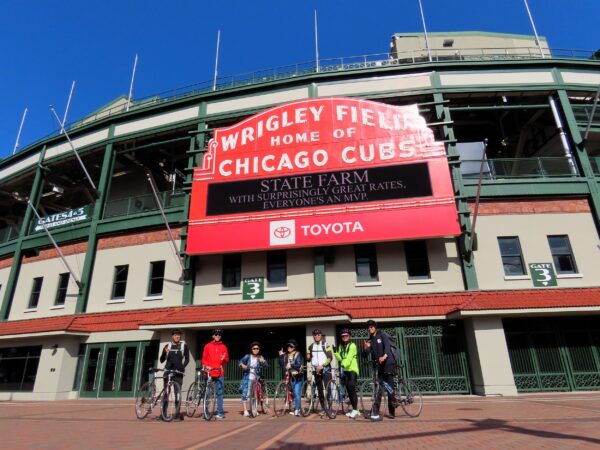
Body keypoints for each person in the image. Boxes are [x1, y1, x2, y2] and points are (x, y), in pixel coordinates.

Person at [363, 319, 396, 421]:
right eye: (368, 327)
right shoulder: (370, 340)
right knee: (379, 388)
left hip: (388, 362)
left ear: (375, 327)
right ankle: (375, 410)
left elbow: (387, 347)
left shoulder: (382, 335)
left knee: (389, 387)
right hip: (379, 366)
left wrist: (384, 356)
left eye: (372, 327)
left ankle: (392, 411)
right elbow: (366, 355)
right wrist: (366, 348)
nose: (370, 329)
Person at [160, 329, 190, 421]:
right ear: (172, 336)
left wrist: (182, 367)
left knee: (177, 394)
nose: (177, 336)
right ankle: (163, 413)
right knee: (166, 393)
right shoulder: (167, 346)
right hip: (168, 372)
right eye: (176, 335)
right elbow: (161, 360)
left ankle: (177, 414)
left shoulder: (184, 346)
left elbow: (187, 359)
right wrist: (165, 352)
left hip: (178, 373)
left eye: (179, 335)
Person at [202, 328, 230, 419]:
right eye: (216, 334)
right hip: (210, 372)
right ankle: (205, 412)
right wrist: (206, 366)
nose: (218, 336)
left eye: (219, 334)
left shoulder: (224, 347)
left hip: (219, 372)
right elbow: (204, 358)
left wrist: (223, 359)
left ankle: (220, 412)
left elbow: (227, 360)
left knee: (220, 393)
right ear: (213, 335)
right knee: (207, 393)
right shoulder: (207, 346)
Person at [334, 328, 360, 419]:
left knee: (351, 387)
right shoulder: (341, 346)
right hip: (345, 370)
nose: (345, 337)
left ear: (349, 336)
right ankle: (354, 409)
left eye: (346, 336)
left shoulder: (352, 345)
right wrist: (336, 353)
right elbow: (341, 359)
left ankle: (356, 410)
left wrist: (342, 365)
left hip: (352, 370)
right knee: (349, 390)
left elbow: (348, 358)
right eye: (343, 336)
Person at [306, 328, 333, 415]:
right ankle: (323, 408)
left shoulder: (326, 345)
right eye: (315, 335)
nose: (317, 336)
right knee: (320, 390)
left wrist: (323, 365)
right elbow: (308, 359)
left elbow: (330, 358)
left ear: (321, 336)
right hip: (316, 370)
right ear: (313, 336)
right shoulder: (310, 346)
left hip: (325, 369)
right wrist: (308, 357)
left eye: (318, 334)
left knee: (328, 388)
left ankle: (329, 407)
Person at [239, 341, 268, 417]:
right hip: (247, 378)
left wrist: (263, 361)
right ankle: (245, 410)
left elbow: (266, 364)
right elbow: (240, 362)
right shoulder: (247, 356)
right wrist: (242, 365)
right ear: (251, 349)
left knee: (255, 395)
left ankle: (254, 410)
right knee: (245, 393)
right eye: (254, 348)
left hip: (256, 378)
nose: (256, 350)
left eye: (257, 348)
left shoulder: (260, 357)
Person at [278, 339, 304, 416]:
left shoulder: (297, 354)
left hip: (297, 376)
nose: (289, 347)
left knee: (296, 392)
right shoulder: (285, 355)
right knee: (291, 392)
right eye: (288, 346)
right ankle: (294, 407)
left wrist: (291, 365)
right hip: (289, 376)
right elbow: (281, 364)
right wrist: (280, 356)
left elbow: (299, 364)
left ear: (294, 347)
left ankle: (297, 410)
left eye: (291, 346)